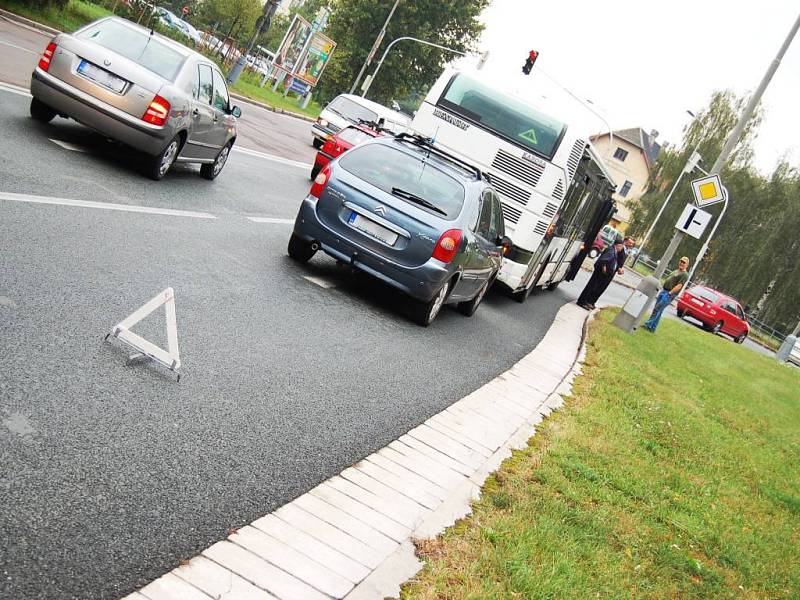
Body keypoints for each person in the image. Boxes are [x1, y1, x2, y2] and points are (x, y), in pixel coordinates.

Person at [642, 256, 690, 332]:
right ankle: (652, 327)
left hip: (669, 294)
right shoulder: (676, 271)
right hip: (664, 291)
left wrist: (670, 293)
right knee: (659, 310)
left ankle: (647, 324)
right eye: (681, 261)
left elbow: (679, 286)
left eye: (684, 262)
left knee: (657, 309)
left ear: (687, 265)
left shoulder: (684, 275)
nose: (681, 263)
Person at [577, 236, 625, 310]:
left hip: (600, 273)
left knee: (592, 287)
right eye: (621, 247)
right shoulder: (611, 251)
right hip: (599, 273)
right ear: (618, 245)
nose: (621, 249)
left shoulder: (613, 250)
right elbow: (603, 260)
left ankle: (585, 301)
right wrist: (604, 269)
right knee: (591, 287)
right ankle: (581, 301)